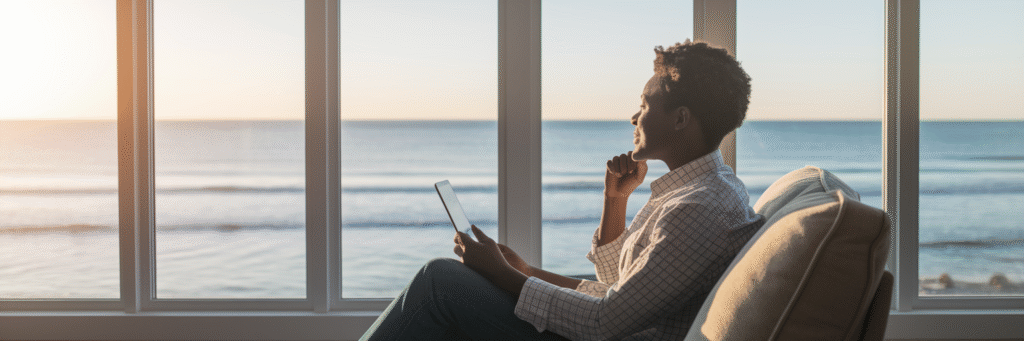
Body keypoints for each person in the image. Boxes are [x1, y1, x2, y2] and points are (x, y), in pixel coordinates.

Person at [359, 40, 764, 341]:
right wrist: (612, 203)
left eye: (644, 104)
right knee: (453, 290)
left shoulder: (697, 208)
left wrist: (503, 275)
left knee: (440, 280)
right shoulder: (698, 191)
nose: (634, 116)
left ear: (680, 119)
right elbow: (619, 286)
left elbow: (605, 320)